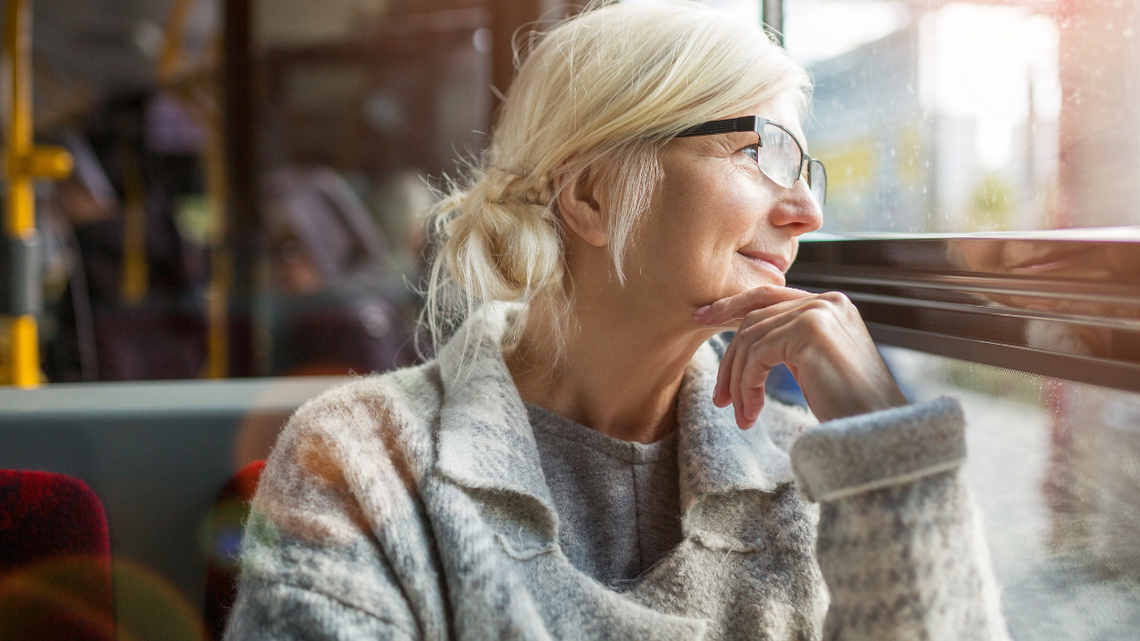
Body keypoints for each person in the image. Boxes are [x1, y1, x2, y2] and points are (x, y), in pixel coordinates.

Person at [225, 2, 1009, 639]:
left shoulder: (812, 474)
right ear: (592, 194)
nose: (805, 211)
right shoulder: (359, 460)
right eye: (760, 150)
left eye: (808, 171)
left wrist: (887, 447)